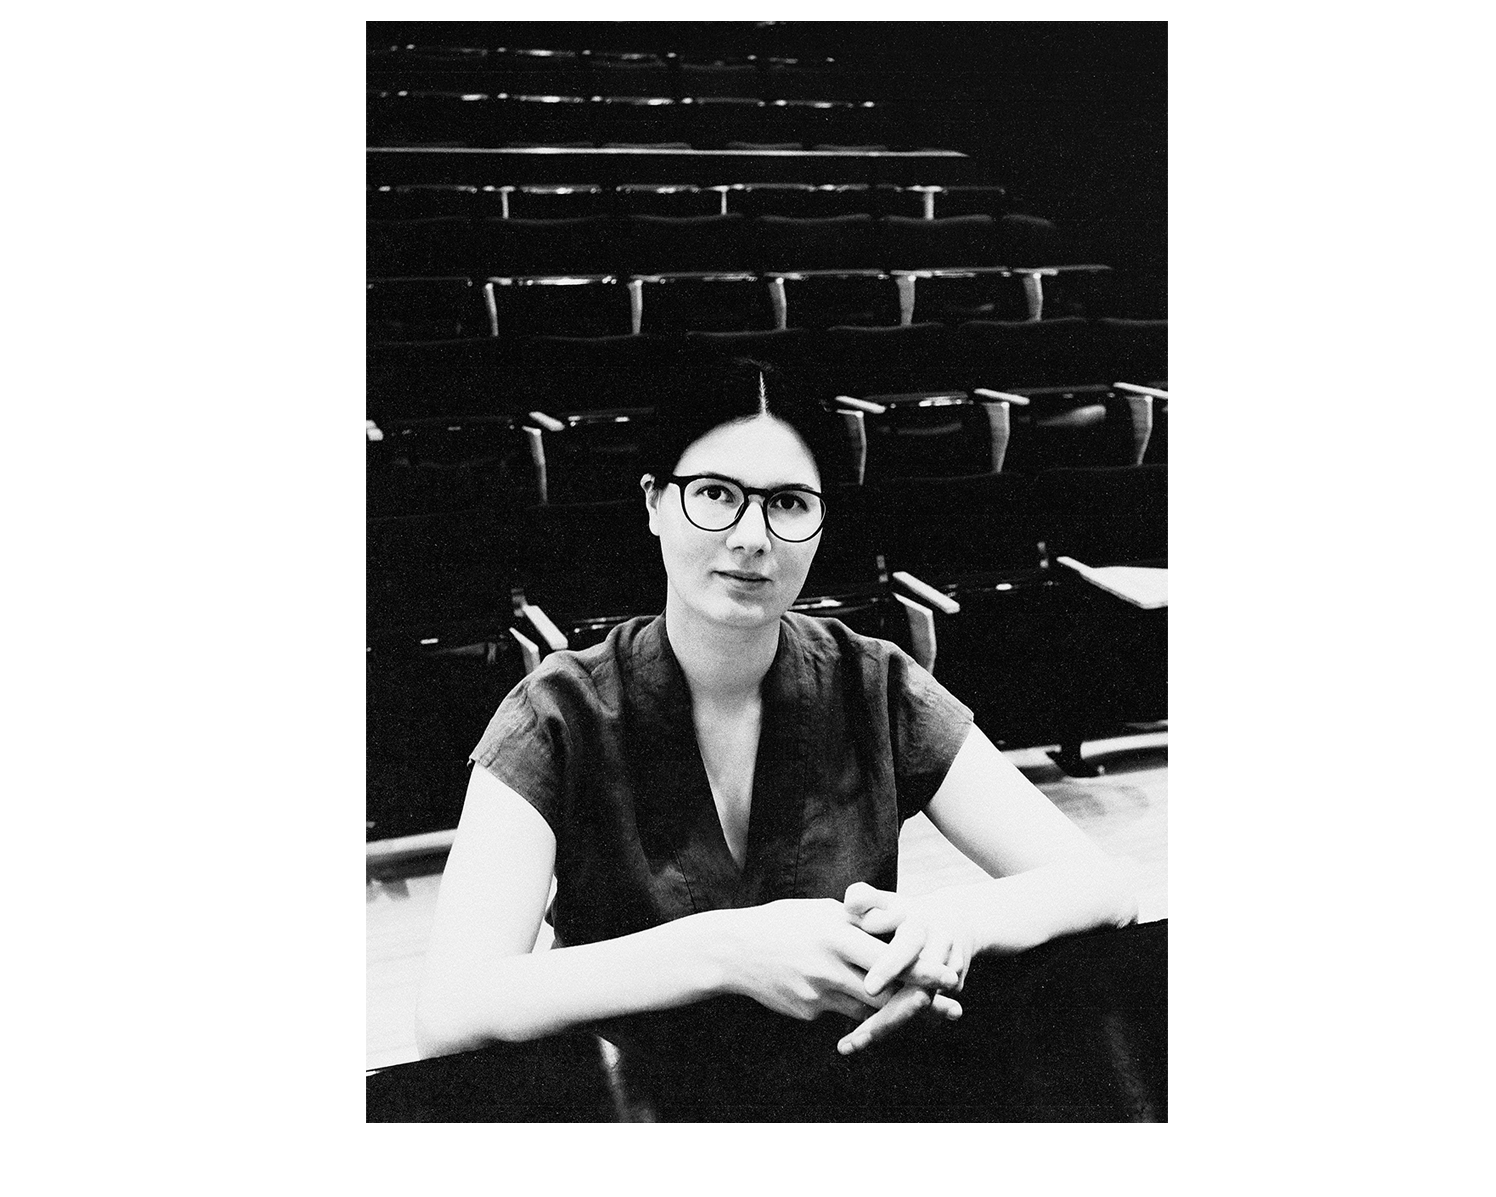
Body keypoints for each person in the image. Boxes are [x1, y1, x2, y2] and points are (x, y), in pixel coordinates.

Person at [414, 351, 1145, 1118]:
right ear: (654, 503)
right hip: (639, 1118)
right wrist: (730, 952)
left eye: (789, 503)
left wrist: (952, 925)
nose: (752, 537)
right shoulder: (558, 711)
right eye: (716, 495)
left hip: (844, 1102)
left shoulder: (874, 683)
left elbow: (1105, 885)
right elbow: (453, 1006)